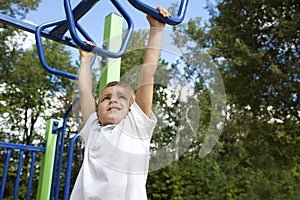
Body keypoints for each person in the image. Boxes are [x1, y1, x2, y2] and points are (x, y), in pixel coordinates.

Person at [70, 6, 171, 200]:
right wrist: (85, 60)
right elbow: (85, 92)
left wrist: (156, 30)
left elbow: (147, 73)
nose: (112, 100)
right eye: (106, 98)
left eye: (121, 97)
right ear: (98, 110)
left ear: (131, 108)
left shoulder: (135, 126)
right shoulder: (93, 129)